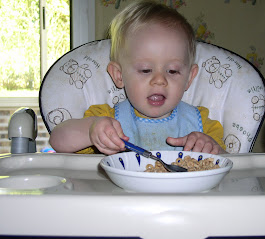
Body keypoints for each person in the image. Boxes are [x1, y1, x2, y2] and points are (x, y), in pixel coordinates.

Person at [49, 0, 227, 155]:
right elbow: (57, 141)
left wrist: (214, 150)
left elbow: (233, 167)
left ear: (189, 77)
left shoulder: (202, 124)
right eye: (145, 70)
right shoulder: (108, 119)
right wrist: (91, 130)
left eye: (172, 71)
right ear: (119, 75)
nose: (159, 80)